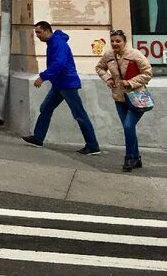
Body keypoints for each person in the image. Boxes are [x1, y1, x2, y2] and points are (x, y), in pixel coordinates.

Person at [22, 20, 101, 155]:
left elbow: (59, 64)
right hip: (59, 84)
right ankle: (38, 138)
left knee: (79, 114)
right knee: (45, 108)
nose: (37, 35)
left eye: (39, 32)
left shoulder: (58, 43)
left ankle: (93, 145)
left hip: (67, 84)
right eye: (36, 33)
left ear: (47, 31)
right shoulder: (53, 42)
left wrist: (43, 76)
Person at [94, 29, 154, 171]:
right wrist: (108, 79)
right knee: (129, 128)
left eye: (118, 41)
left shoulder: (135, 54)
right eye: (113, 41)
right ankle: (136, 158)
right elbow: (99, 67)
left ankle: (129, 158)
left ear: (124, 41)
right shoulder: (109, 55)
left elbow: (148, 73)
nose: (115, 43)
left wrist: (131, 82)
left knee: (128, 126)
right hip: (119, 98)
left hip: (137, 97)